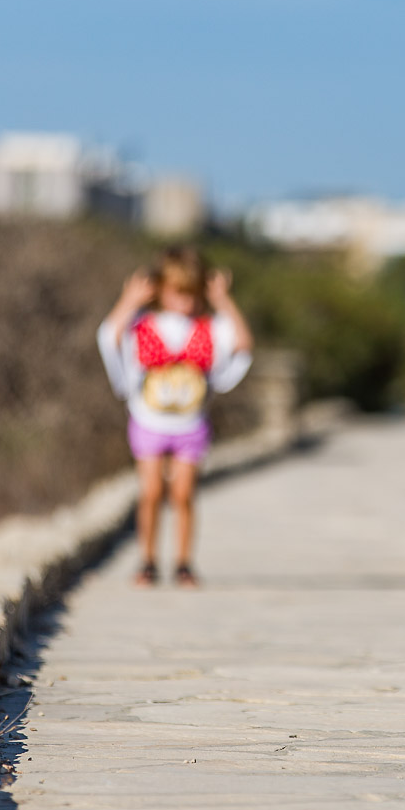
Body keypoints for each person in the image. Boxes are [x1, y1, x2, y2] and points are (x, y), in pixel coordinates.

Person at [98, 245, 253, 587]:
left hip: (191, 425)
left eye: (192, 293)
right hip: (148, 422)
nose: (184, 300)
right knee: (150, 492)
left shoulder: (210, 328)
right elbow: (110, 336)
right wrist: (130, 300)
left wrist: (223, 301)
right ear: (161, 289)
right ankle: (147, 561)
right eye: (177, 292)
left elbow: (243, 344)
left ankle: (184, 563)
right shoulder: (143, 324)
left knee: (183, 495)